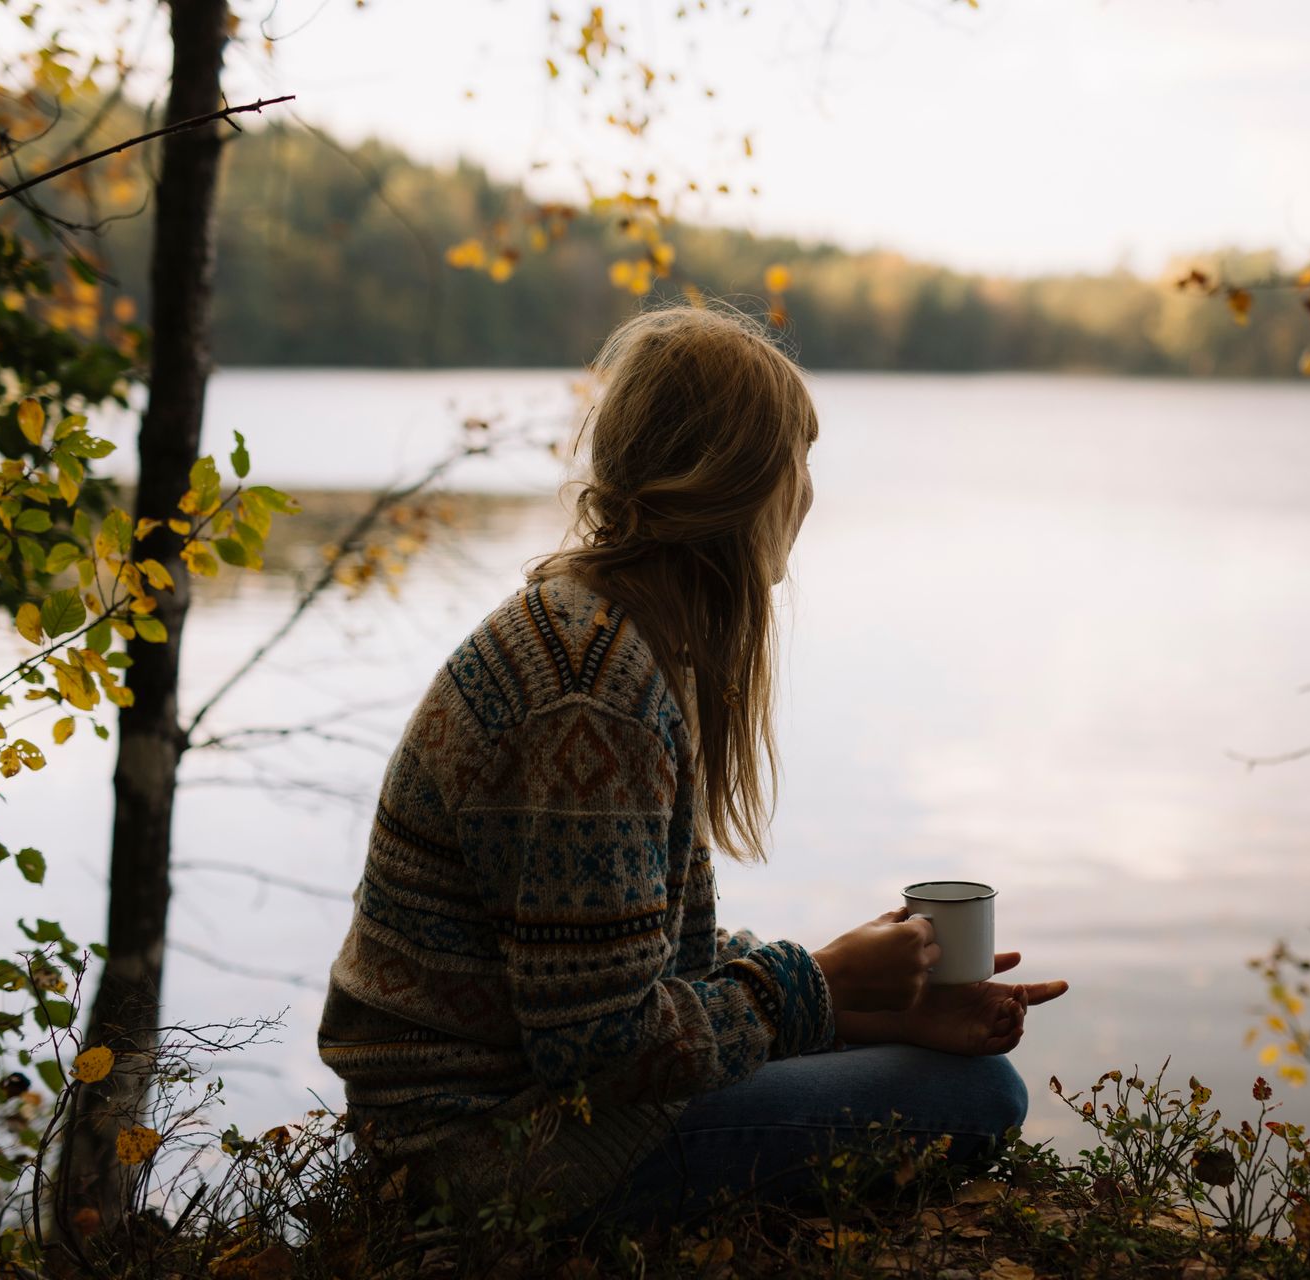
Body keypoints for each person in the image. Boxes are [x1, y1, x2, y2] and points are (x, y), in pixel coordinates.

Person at [316, 303, 1068, 1224]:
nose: (808, 492)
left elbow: (643, 969)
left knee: (947, 1064)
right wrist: (821, 982)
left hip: (511, 1111)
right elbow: (598, 1048)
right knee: (981, 1099)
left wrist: (880, 1009)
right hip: (488, 1153)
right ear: (738, 483)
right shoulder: (590, 693)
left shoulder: (603, 637)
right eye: (798, 460)